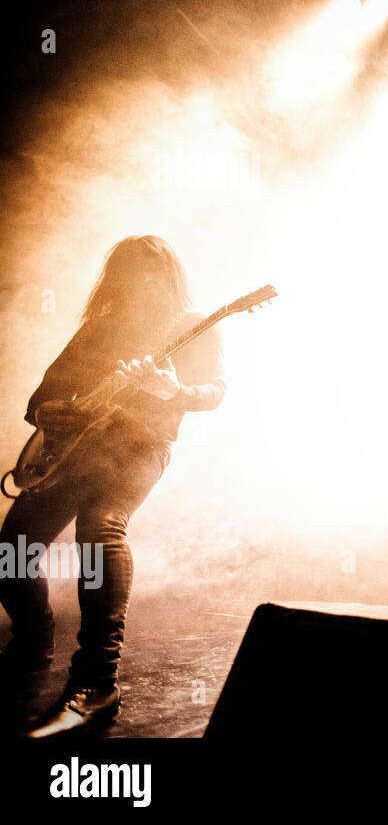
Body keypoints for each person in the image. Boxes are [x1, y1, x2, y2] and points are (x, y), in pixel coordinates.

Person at [0, 235, 225, 736]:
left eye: (150, 273)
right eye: (129, 272)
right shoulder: (100, 328)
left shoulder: (194, 327)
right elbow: (46, 389)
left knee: (101, 531)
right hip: (77, 450)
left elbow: (216, 391)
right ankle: (34, 636)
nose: (140, 283)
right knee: (12, 547)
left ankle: (98, 681)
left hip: (140, 448)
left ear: (168, 276)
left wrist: (176, 390)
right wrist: (45, 411)